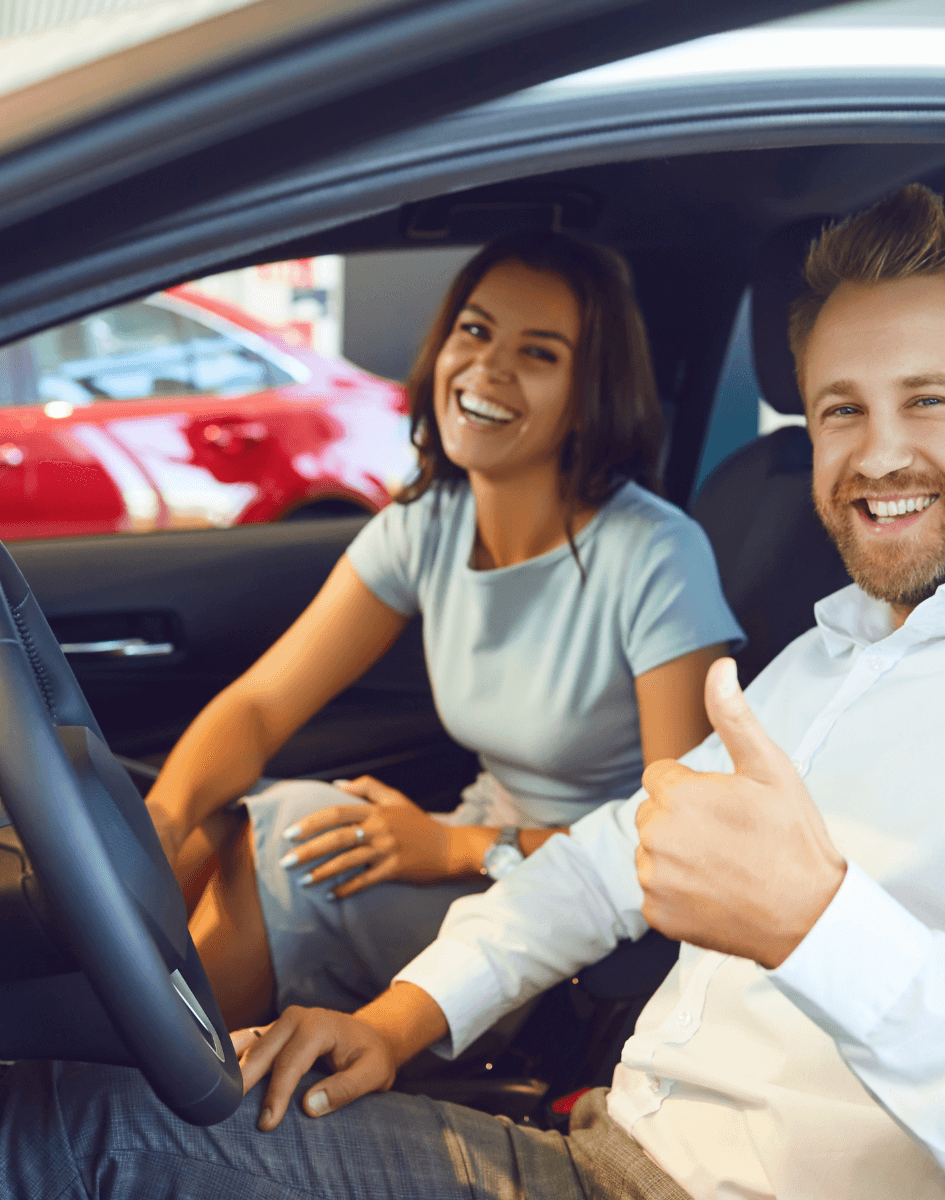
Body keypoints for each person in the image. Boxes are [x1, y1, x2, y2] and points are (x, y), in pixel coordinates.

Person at [5, 185, 945, 1200]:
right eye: (841, 408)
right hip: (595, 1154)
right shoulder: (833, 653)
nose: (877, 452)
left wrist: (821, 926)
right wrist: (395, 1022)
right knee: (60, 1122)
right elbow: (602, 863)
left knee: (75, 1147)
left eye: (928, 400)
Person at [143, 231, 745, 1029]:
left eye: (538, 353)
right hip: (475, 846)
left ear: (588, 396)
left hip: (575, 914)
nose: (488, 367)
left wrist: (459, 848)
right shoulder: (429, 522)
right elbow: (259, 707)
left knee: (285, 853)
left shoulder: (656, 553)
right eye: (476, 330)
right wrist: (160, 823)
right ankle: (103, 1050)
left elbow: (678, 840)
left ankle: (145, 1076)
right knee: (227, 819)